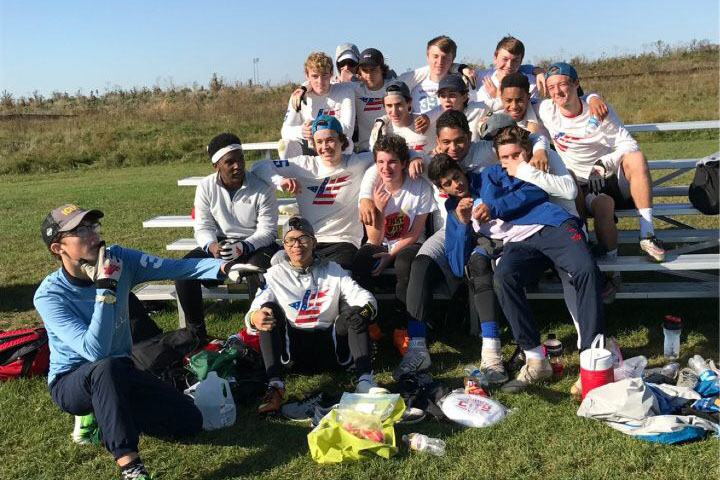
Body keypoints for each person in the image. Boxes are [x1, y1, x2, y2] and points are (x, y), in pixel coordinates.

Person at [33, 204, 250, 480]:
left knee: (189, 421)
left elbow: (177, 266)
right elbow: (95, 351)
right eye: (79, 230)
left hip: (121, 370)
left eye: (92, 226)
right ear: (57, 248)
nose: (92, 235)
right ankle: (131, 466)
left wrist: (223, 266)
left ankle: (105, 413)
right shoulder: (50, 296)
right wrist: (105, 289)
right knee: (105, 368)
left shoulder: (119, 259)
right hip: (72, 381)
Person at [359, 110, 550, 380]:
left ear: (470, 137)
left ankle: (491, 352)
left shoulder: (486, 151)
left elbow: (527, 140)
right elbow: (377, 168)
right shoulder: (428, 160)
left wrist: (540, 149)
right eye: (446, 143)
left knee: (479, 263)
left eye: (459, 141)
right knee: (421, 264)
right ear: (437, 141)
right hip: (450, 228)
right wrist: (367, 197)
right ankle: (417, 348)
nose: (453, 148)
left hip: (490, 227)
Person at [538, 62, 666, 301]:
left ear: (576, 84)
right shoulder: (547, 109)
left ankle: (647, 233)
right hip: (582, 187)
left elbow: (629, 144)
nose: (557, 92)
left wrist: (604, 162)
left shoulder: (598, 110)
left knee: (636, 157)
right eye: (551, 87)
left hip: (609, 178)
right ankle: (602, 266)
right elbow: (517, 98)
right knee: (592, 197)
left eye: (563, 84)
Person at [245, 217, 378, 415]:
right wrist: (255, 317)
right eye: (290, 240)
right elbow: (252, 312)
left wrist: (364, 312)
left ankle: (365, 381)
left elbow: (366, 298)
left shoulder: (334, 270)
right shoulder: (273, 275)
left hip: (331, 348)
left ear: (314, 242)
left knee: (354, 312)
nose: (296, 245)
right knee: (267, 309)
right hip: (293, 352)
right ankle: (275, 385)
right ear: (284, 246)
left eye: (303, 239)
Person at [174, 133, 279, 339]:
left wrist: (243, 246)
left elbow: (268, 232)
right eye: (229, 162)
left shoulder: (262, 187)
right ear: (216, 165)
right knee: (184, 271)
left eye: (240, 159)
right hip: (220, 245)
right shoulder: (205, 186)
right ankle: (197, 336)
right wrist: (213, 247)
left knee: (257, 269)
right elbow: (203, 226)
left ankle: (258, 336)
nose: (237, 166)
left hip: (255, 245)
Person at [253, 115, 376, 268]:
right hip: (307, 241)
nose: (325, 146)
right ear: (314, 144)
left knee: (334, 280)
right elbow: (258, 166)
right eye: (319, 142)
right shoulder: (303, 164)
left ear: (342, 141)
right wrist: (280, 181)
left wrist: (366, 196)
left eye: (330, 140)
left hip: (344, 242)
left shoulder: (357, 162)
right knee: (276, 270)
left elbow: (391, 155)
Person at [352, 135, 434, 331]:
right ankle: (370, 323)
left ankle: (401, 325)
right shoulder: (371, 186)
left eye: (392, 162)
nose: (386, 168)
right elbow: (374, 238)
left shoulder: (419, 186)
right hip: (380, 240)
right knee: (362, 261)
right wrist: (378, 209)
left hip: (409, 241)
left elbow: (415, 232)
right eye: (380, 162)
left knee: (404, 263)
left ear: (404, 163)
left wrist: (390, 255)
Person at [280, 51, 355, 157]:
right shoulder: (299, 95)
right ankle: (291, 174)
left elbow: (348, 129)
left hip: (335, 147)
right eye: (315, 76)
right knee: (284, 145)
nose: (320, 81)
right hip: (310, 148)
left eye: (324, 75)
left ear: (331, 73)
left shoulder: (345, 91)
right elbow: (285, 131)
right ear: (307, 75)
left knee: (347, 143)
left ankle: (337, 173)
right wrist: (302, 131)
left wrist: (316, 127)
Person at [399, 35, 473, 114]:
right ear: (427, 57)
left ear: (453, 59)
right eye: (435, 56)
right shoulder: (413, 84)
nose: (440, 62)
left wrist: (461, 68)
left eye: (445, 57)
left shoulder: (462, 83)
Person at [470, 35, 545, 108]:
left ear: (521, 61)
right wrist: (463, 68)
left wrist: (499, 99)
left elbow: (520, 113)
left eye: (515, 60)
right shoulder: (478, 77)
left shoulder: (530, 83)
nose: (509, 65)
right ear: (495, 58)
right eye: (505, 59)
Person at [418, 73, 491, 141]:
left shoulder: (477, 108)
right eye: (443, 96)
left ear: (464, 97)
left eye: (452, 95)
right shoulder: (438, 112)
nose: (447, 100)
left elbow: (499, 103)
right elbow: (430, 114)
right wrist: (426, 117)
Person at [369, 80, 434, 154]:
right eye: (389, 106)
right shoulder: (381, 129)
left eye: (398, 105)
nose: (394, 111)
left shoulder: (425, 122)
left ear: (409, 102)